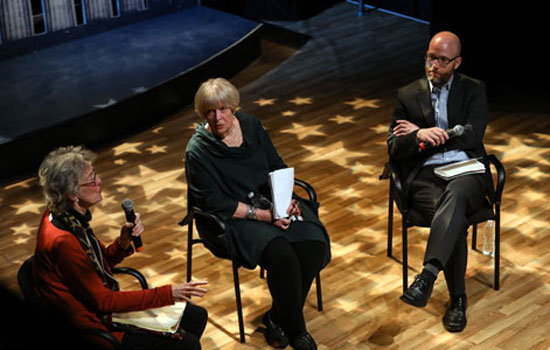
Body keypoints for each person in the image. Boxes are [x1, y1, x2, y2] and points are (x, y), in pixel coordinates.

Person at [185, 78, 331, 350]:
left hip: (267, 200)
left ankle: (277, 317)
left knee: (313, 245)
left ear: (234, 108)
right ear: (202, 113)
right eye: (210, 112)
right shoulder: (198, 150)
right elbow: (214, 203)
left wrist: (285, 201)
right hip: (231, 218)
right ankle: (296, 329)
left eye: (224, 110)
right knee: (282, 255)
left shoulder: (251, 125)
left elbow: (275, 165)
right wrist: (265, 216)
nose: (218, 118)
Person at [33, 145, 209, 349]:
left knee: (196, 316)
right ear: (72, 194)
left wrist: (122, 243)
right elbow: (103, 301)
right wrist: (168, 294)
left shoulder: (69, 217)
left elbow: (98, 265)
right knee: (187, 345)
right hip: (94, 326)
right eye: (91, 179)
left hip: (101, 307)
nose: (99, 181)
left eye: (95, 174)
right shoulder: (62, 240)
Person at [387, 31, 493, 332]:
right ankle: (457, 299)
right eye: (430, 58)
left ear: (457, 62)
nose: (434, 65)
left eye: (442, 61)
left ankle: (428, 276)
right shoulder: (408, 94)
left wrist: (428, 132)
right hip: (426, 176)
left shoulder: (473, 90)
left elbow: (473, 134)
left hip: (466, 170)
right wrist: (417, 137)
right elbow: (393, 147)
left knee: (457, 195)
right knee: (453, 220)